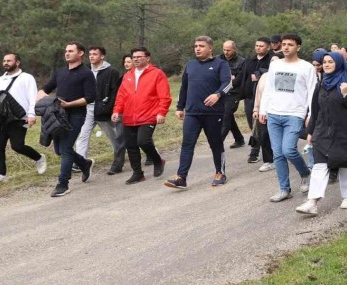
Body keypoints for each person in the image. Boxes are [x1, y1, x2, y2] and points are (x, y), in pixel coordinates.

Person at [296, 52, 347, 215]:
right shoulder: (321, 84)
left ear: (339, 63)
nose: (327, 64)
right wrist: (311, 131)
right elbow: (315, 110)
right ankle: (312, 202)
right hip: (323, 132)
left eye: (330, 62)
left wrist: (346, 95)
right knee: (319, 165)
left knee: (346, 164)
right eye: (325, 62)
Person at [164, 36, 232, 189]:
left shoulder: (221, 64)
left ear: (210, 48)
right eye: (195, 46)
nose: (197, 48)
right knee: (187, 144)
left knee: (215, 143)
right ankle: (181, 177)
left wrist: (218, 94)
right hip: (192, 112)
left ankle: (220, 173)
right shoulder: (190, 65)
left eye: (201, 46)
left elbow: (228, 83)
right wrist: (180, 107)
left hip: (213, 113)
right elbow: (184, 88)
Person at [258, 33, 317, 202]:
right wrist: (263, 109)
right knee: (277, 154)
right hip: (274, 113)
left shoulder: (306, 67)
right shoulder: (275, 65)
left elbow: (312, 93)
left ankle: (305, 173)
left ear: (298, 47)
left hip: (294, 114)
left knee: (289, 149)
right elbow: (268, 89)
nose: (285, 47)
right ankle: (284, 189)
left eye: (290, 44)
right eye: (283, 44)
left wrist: (311, 114)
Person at [38, 42, 96, 197]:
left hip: (77, 115)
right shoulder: (60, 72)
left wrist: (70, 104)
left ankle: (63, 184)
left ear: (81, 53)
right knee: (60, 150)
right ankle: (85, 163)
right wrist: (40, 99)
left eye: (71, 51)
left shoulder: (86, 73)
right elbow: (46, 88)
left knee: (65, 149)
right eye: (66, 51)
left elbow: (90, 97)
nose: (67, 53)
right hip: (58, 115)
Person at [0, 53, 47, 185]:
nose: (6, 63)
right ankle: (0, 174)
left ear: (17, 62)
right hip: (0, 118)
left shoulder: (27, 78)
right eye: (4, 60)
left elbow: (32, 97)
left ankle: (39, 158)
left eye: (9, 61)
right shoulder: (0, 80)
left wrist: (31, 114)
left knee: (17, 146)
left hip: (19, 118)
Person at [111, 46, 169, 185]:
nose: (136, 59)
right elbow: (121, 96)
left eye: (139, 56)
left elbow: (164, 96)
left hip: (149, 114)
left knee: (143, 141)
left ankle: (157, 161)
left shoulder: (157, 73)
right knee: (131, 146)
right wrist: (116, 110)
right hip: (130, 116)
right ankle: (137, 173)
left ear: (147, 58)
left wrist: (161, 112)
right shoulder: (128, 75)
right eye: (134, 57)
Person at [75, 46, 124, 175]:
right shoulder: (85, 71)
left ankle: (120, 157)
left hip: (104, 109)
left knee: (113, 136)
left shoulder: (111, 72)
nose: (91, 56)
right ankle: (81, 162)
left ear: (102, 56)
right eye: (90, 54)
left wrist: (111, 108)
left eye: (95, 54)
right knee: (82, 135)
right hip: (88, 109)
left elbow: (115, 91)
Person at [238, 37, 273, 163]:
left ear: (268, 47)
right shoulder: (249, 61)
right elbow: (242, 77)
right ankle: (256, 148)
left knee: (261, 126)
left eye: (261, 46)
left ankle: (259, 152)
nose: (258, 47)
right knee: (252, 124)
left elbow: (273, 74)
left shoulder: (272, 60)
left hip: (264, 98)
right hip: (249, 98)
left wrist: (260, 74)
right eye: (256, 45)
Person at [220, 40, 246, 149]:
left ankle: (218, 142)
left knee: (226, 114)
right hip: (221, 92)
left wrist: (226, 81)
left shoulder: (242, 62)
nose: (226, 52)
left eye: (228, 50)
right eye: (224, 50)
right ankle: (239, 139)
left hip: (234, 93)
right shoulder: (218, 59)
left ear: (234, 49)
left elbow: (239, 80)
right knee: (228, 115)